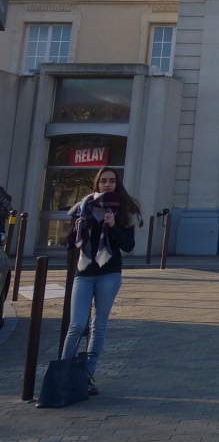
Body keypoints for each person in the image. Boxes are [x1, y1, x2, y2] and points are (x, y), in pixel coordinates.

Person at [61, 166, 141, 395]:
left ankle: (86, 376)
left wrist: (113, 226)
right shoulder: (83, 207)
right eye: (103, 180)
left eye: (111, 180)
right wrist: (76, 229)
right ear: (97, 183)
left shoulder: (124, 209)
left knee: (98, 326)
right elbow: (68, 244)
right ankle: (64, 373)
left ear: (117, 184)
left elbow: (128, 246)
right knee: (76, 325)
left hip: (110, 274)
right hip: (84, 274)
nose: (107, 184)